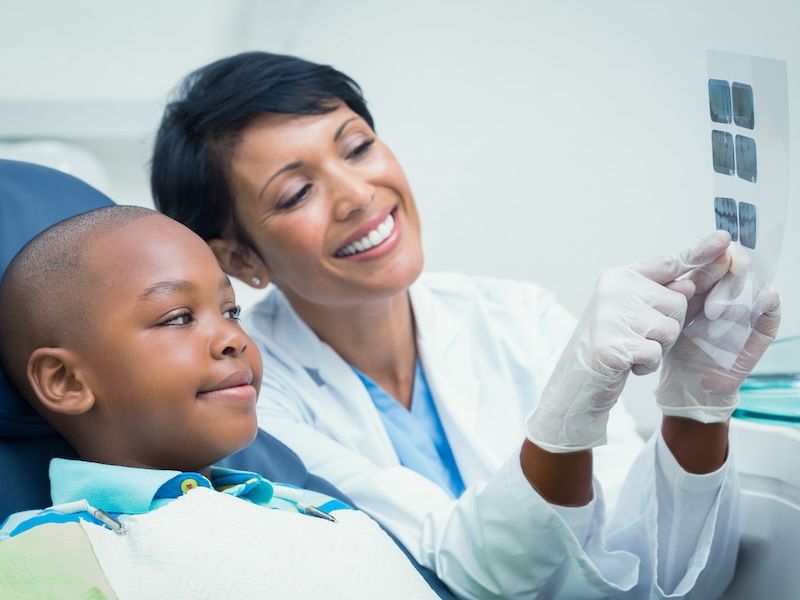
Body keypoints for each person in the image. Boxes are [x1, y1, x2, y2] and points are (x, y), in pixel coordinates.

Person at [150, 51, 782, 599]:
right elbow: (455, 571)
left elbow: (661, 572)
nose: (359, 195)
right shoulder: (253, 400)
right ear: (237, 260)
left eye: (358, 147)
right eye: (295, 194)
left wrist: (696, 409)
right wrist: (562, 420)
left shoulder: (517, 315)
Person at [0, 205, 441, 599]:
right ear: (66, 381)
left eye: (231, 311)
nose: (233, 338)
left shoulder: (318, 510)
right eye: (178, 318)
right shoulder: (42, 554)